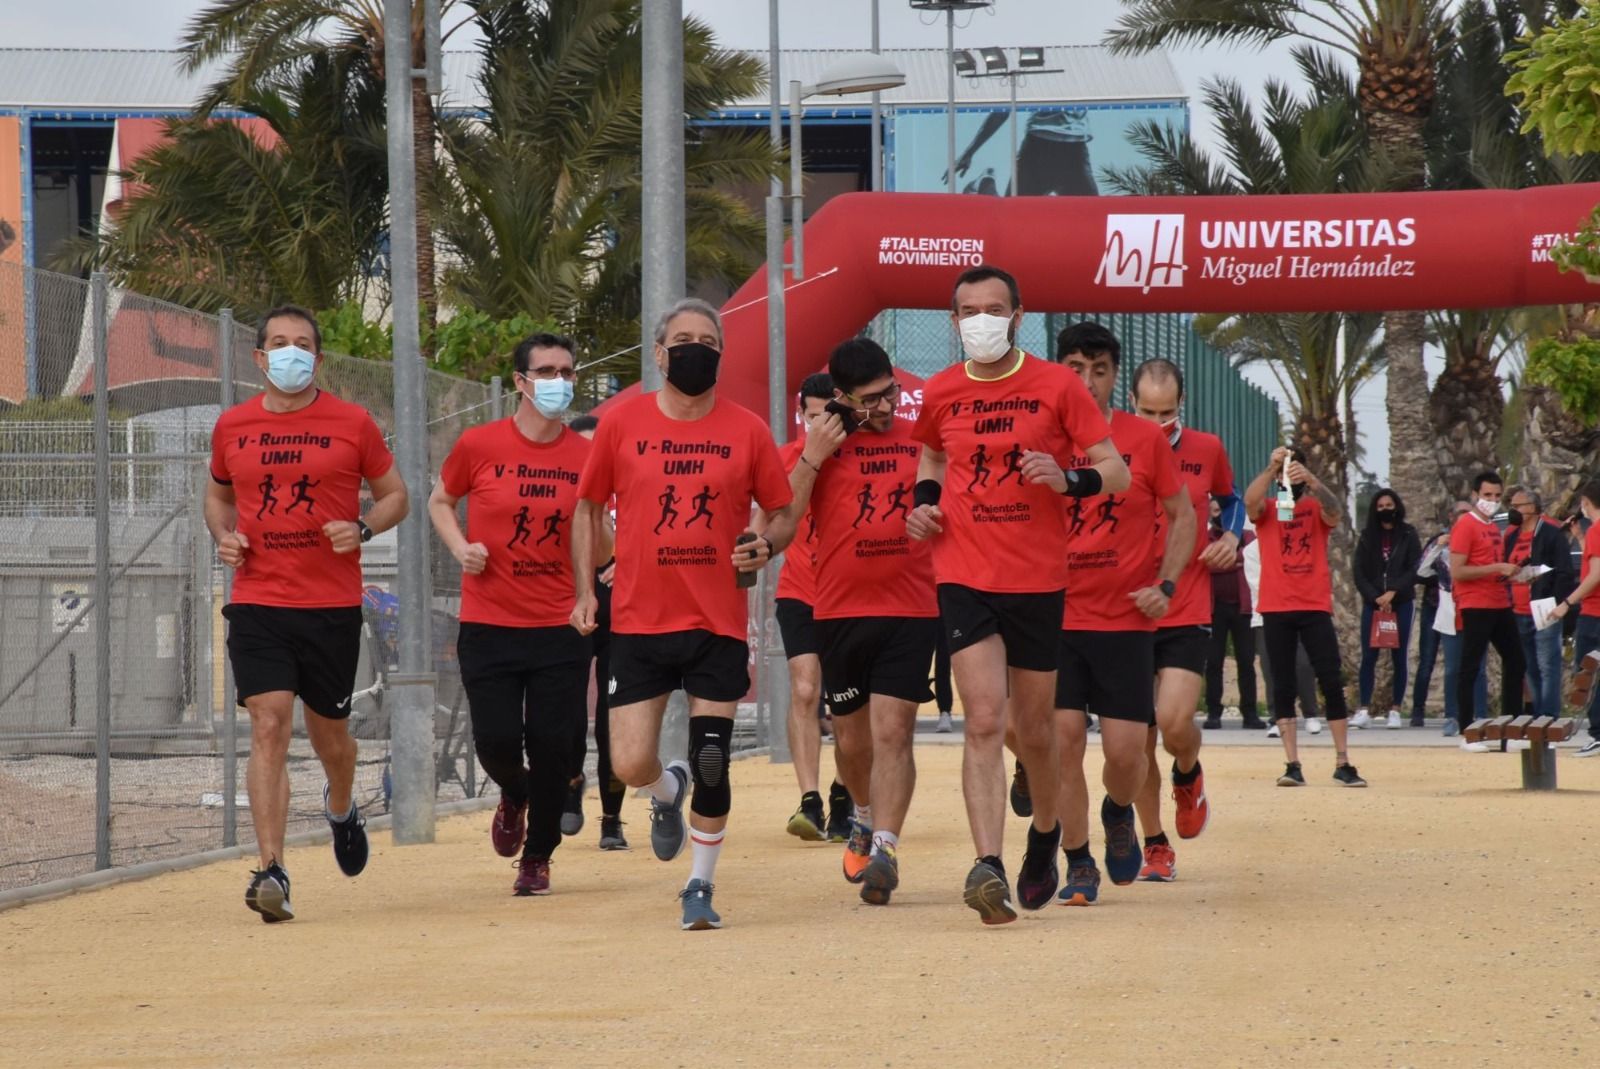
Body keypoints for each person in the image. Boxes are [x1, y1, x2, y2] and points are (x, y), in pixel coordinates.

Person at [907, 264, 1129, 924]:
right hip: (963, 573)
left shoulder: (1058, 385)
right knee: (982, 718)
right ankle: (988, 865)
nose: (980, 319)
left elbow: (1113, 470)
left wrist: (1067, 479)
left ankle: (1042, 841)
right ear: (953, 322)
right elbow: (931, 460)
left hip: (1037, 578)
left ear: (1017, 316)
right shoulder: (942, 391)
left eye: (993, 308)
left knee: (1036, 732)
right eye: (968, 309)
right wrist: (922, 508)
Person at [571, 298, 798, 931]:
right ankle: (665, 790)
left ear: (721, 353)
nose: (695, 348)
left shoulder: (747, 429)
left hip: (716, 621)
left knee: (713, 761)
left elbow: (779, 511)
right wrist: (585, 591)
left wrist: (766, 542)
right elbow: (587, 509)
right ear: (659, 351)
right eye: (682, 338)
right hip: (640, 621)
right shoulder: (622, 424)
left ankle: (699, 886)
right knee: (628, 765)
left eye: (707, 340)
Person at [206, 305, 408, 922]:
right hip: (259, 601)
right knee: (268, 724)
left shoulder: (353, 423)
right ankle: (272, 870)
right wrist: (224, 535)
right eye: (278, 344)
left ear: (316, 360)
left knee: (331, 738)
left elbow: (396, 493)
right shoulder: (232, 425)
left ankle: (341, 806)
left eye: (302, 345)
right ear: (259, 358)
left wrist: (364, 527)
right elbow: (217, 494)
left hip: (330, 607)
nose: (290, 353)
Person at [430, 333, 602, 895]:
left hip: (559, 625)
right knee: (496, 742)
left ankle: (537, 855)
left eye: (567, 371)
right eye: (547, 371)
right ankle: (515, 791)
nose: (560, 382)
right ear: (521, 383)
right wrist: (461, 548)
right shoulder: (479, 446)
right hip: (489, 622)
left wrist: (596, 580)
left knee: (555, 747)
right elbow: (439, 501)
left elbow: (597, 534)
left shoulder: (586, 456)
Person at [786, 338, 939, 905]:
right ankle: (863, 815)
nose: (884, 409)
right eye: (871, 400)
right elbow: (785, 513)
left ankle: (887, 849)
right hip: (839, 610)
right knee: (852, 742)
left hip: (911, 606)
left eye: (890, 395)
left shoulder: (920, 437)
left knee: (894, 732)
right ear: (843, 398)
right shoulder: (822, 445)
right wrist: (812, 454)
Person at [1051, 333, 1192, 904]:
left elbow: (1182, 516)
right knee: (1062, 743)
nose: (1088, 381)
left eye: (1101, 370)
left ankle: (1117, 811)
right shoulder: (1038, 438)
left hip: (1125, 622)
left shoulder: (1144, 441)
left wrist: (1165, 584)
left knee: (1126, 756)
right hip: (1056, 619)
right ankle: (1078, 861)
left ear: (1117, 378)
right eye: (1076, 368)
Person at [1124, 355, 1243, 883]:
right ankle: (1154, 843)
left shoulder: (1206, 448)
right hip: (1124, 606)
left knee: (1174, 723)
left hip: (1186, 601)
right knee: (1137, 737)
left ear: (1182, 405)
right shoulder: (1109, 446)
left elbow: (1230, 500)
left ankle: (1188, 774)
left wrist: (1232, 537)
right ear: (1132, 404)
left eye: (1167, 412)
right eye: (1147, 412)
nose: (1157, 423)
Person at [1244, 447, 1366, 787]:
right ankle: (1292, 763)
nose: (1289, 477)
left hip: (1313, 606)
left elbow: (1336, 509)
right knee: (1281, 684)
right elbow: (1249, 501)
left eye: (1291, 469)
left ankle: (1343, 761)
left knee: (1330, 679)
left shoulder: (1312, 508)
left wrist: (1310, 480)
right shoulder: (1269, 510)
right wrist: (1271, 470)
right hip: (1276, 607)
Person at [775, 374, 853, 842]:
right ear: (801, 415)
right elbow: (766, 516)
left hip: (848, 597)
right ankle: (809, 799)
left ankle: (845, 790)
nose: (820, 424)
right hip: (799, 590)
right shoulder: (786, 459)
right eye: (811, 415)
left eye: (830, 415)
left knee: (848, 709)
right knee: (805, 690)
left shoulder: (859, 461)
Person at [566, 412, 628, 850]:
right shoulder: (564, 491)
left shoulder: (624, 486)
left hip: (620, 606)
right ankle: (570, 781)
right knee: (566, 705)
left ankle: (612, 816)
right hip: (567, 601)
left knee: (613, 715)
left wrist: (625, 560)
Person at [1450, 472, 1526, 750]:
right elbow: (1457, 571)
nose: (1492, 501)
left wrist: (1514, 574)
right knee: (1470, 666)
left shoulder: (1493, 527)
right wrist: (1496, 568)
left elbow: (1491, 566)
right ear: (1474, 495)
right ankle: (1466, 730)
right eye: (1487, 496)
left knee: (1516, 660)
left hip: (1499, 600)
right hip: (1475, 603)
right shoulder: (1465, 525)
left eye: (1496, 496)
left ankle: (1511, 729)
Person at [1352, 489, 1423, 729]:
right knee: (1369, 657)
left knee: (1399, 656)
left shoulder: (1408, 534)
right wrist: (1376, 597)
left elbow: (1415, 568)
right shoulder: (1365, 537)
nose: (1385, 509)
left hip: (1401, 603)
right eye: (1380, 505)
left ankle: (1395, 710)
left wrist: (1393, 591)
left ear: (1397, 506)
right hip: (1374, 605)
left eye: (1389, 504)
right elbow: (1358, 572)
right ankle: (1363, 709)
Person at [1505, 487, 1575, 720]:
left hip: (1544, 608)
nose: (1513, 510)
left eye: (1518, 506)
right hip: (1517, 610)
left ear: (1533, 508)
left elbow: (1565, 572)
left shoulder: (1551, 534)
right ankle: (1537, 712)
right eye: (1511, 506)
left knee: (1548, 664)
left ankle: (1549, 715)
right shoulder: (1511, 536)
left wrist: (1554, 600)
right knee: (1529, 666)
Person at [1203, 499, 1262, 730]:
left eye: (1221, 511)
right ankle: (1213, 713)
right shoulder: (1206, 538)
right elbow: (1207, 564)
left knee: (1246, 662)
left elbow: (1254, 560)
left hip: (1243, 609)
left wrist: (1226, 561)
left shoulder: (1248, 537)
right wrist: (1237, 561)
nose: (1218, 515)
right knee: (1214, 662)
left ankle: (1250, 714)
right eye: (1214, 512)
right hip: (1214, 610)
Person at [1551, 479, 1600, 756]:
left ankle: (1597, 733)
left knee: (1589, 674)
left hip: (1593, 614)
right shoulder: (1591, 534)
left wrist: (1567, 603)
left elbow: (1596, 574)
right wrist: (1580, 538)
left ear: (1586, 503)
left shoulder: (1596, 531)